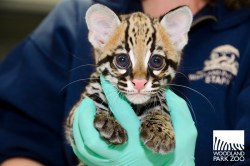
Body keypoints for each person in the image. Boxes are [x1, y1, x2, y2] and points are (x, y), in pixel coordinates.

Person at [0, 0, 249, 165]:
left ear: (178, 37)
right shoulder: (76, 13)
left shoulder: (243, 32)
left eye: (156, 63)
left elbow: (240, 148)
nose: (139, 80)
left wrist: (198, 152)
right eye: (122, 60)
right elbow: (19, 137)